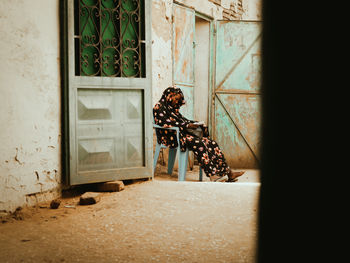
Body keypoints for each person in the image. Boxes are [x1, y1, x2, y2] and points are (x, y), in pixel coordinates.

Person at [153, 86, 245, 182]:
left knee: (211, 143)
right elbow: (164, 123)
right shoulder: (158, 107)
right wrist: (187, 125)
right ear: (169, 96)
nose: (177, 102)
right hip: (170, 137)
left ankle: (228, 173)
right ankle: (213, 175)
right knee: (199, 143)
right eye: (176, 99)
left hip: (182, 135)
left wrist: (195, 123)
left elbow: (182, 120)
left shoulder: (172, 109)